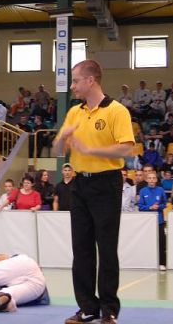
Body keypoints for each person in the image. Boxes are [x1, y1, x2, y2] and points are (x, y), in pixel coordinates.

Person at [52, 59, 134, 324]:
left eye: (76, 81)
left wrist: (90, 150)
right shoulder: (74, 112)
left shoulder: (116, 111)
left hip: (107, 183)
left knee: (106, 248)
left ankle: (109, 309)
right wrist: (63, 138)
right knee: (81, 248)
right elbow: (57, 150)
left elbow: (127, 148)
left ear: (90, 81)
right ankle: (88, 307)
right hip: (80, 184)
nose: (72, 86)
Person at [138, 172, 167, 271]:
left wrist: (158, 206)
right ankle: (148, 262)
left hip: (159, 221)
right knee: (147, 242)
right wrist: (150, 207)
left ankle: (162, 263)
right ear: (146, 179)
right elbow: (140, 206)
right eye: (149, 178)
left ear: (156, 180)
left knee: (161, 242)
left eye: (153, 178)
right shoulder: (143, 191)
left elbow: (165, 204)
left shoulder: (160, 190)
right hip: (147, 222)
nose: (151, 180)